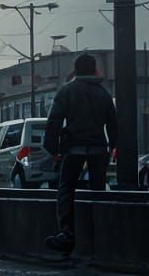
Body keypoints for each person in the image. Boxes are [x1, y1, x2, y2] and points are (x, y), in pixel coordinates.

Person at [43, 53, 119, 256]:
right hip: (98, 150)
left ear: (76, 70)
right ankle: (102, 235)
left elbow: (54, 122)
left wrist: (53, 148)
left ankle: (66, 234)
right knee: (98, 191)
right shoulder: (103, 94)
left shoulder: (67, 91)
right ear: (94, 70)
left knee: (66, 188)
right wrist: (114, 145)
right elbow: (112, 123)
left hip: (73, 149)